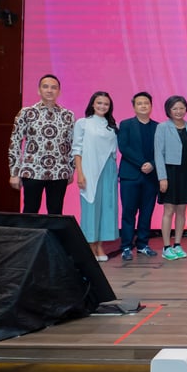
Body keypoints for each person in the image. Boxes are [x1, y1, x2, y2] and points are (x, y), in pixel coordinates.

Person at [8, 73, 74, 214]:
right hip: (32, 170)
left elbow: (71, 144)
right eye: (45, 87)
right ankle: (28, 230)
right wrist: (14, 172)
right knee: (30, 211)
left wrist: (70, 170)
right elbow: (15, 142)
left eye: (53, 87)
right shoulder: (26, 113)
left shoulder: (67, 115)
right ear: (39, 90)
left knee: (56, 213)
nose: (49, 90)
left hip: (59, 172)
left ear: (59, 91)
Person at [71, 92, 119, 261]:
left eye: (106, 104)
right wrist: (80, 173)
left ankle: (100, 245)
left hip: (109, 169)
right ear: (92, 104)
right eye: (99, 103)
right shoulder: (83, 123)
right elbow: (77, 149)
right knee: (91, 207)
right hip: (90, 170)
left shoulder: (112, 125)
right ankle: (90, 245)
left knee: (106, 207)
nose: (102, 106)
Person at [117, 92, 159, 261]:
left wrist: (152, 164)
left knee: (147, 212)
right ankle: (126, 246)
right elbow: (124, 147)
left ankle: (142, 244)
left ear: (151, 106)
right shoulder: (126, 124)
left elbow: (161, 150)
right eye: (139, 103)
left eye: (146, 103)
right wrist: (142, 163)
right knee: (129, 212)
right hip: (130, 175)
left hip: (151, 176)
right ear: (134, 107)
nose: (143, 106)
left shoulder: (158, 127)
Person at [154, 95, 187, 260]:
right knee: (169, 210)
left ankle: (177, 244)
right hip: (170, 172)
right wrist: (162, 177)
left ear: (186, 109)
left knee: (182, 210)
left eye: (181, 108)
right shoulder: (162, 127)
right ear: (169, 110)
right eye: (175, 108)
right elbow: (158, 154)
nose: (178, 111)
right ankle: (166, 247)